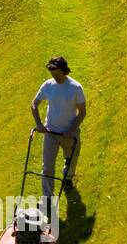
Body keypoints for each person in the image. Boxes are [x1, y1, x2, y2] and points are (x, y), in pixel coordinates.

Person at [29, 56, 87, 218]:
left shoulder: (75, 87)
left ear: (64, 70)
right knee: (47, 166)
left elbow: (82, 112)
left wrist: (71, 129)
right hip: (51, 133)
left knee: (72, 159)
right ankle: (47, 197)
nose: (55, 77)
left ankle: (67, 178)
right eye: (53, 74)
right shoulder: (48, 86)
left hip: (70, 133)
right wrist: (39, 124)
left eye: (57, 74)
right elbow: (34, 104)